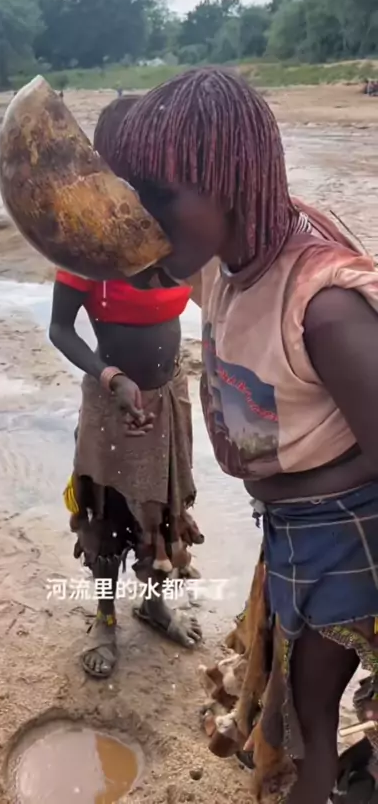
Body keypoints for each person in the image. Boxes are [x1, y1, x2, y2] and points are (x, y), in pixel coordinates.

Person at [112, 67, 378, 804]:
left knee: (306, 716)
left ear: (229, 184)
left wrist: (295, 495)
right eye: (135, 197)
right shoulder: (228, 256)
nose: (143, 217)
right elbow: (127, 262)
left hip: (345, 535)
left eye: (159, 198)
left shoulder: (324, 308)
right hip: (293, 525)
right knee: (291, 698)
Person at [50, 95, 203, 679]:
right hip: (110, 399)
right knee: (106, 514)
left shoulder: (176, 237)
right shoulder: (88, 241)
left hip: (167, 396)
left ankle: (155, 603)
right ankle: (105, 620)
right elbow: (61, 329)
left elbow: (217, 301)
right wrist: (109, 376)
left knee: (164, 506)